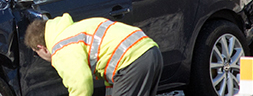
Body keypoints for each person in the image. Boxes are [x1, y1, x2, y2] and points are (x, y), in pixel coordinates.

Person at [25, 13, 162, 96]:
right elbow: (110, 58)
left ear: (41, 48)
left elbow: (81, 85)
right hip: (150, 51)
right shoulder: (76, 29)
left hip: (132, 62)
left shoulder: (61, 48)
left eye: (37, 54)